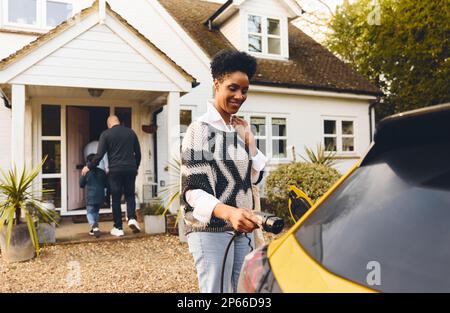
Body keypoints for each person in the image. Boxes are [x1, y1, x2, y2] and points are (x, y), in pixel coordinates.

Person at [181, 50, 267, 293]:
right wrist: (229, 213)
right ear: (217, 84)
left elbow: (255, 177)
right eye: (233, 88)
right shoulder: (199, 130)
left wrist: (249, 141)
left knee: (244, 292)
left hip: (243, 228)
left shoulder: (239, 130)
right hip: (210, 231)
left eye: (244, 90)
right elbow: (193, 191)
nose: (239, 96)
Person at [82, 115, 142, 237]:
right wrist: (136, 167)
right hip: (130, 169)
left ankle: (118, 227)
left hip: (115, 170)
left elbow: (99, 155)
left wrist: (89, 166)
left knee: (116, 198)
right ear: (118, 122)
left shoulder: (106, 134)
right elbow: (138, 153)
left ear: (109, 124)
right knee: (130, 194)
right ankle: (131, 218)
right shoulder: (131, 133)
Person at [79, 154, 107, 238]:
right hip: (100, 195)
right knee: (96, 212)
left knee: (90, 212)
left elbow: (81, 184)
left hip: (91, 195)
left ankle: (93, 225)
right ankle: (94, 229)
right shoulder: (102, 172)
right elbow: (106, 184)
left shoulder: (85, 172)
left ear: (88, 162)